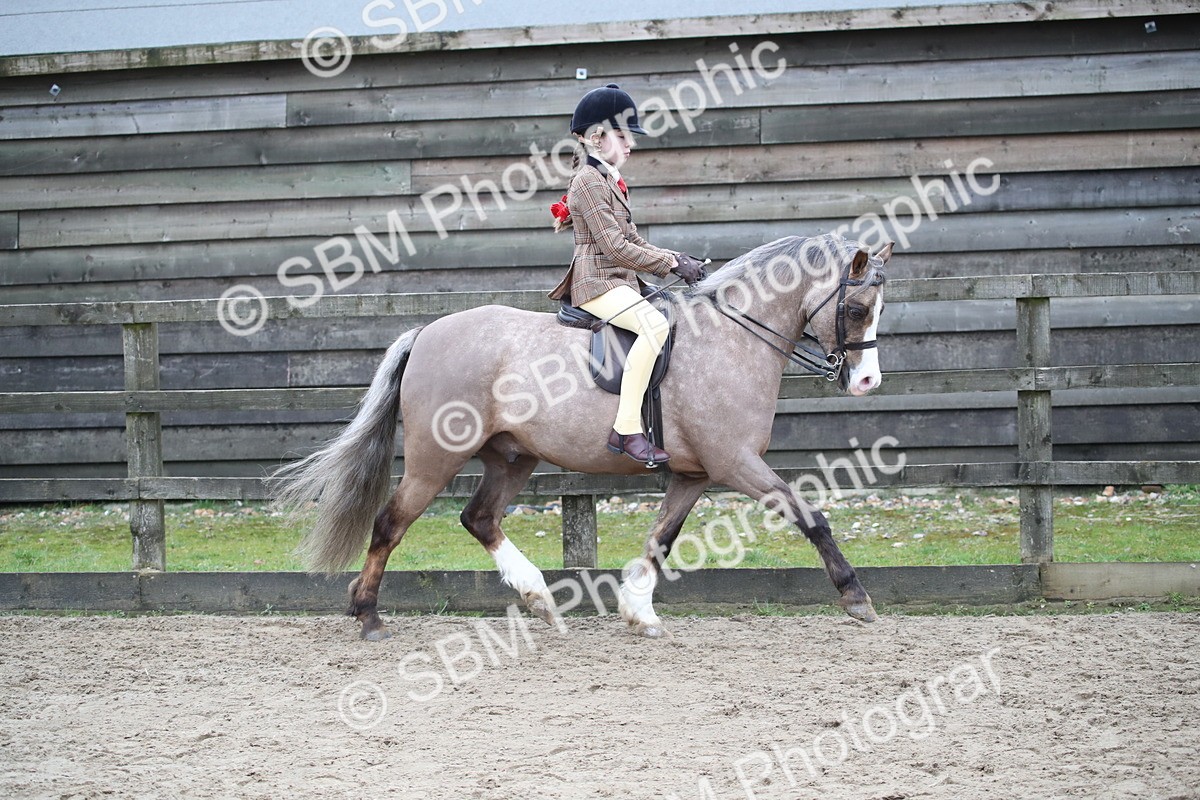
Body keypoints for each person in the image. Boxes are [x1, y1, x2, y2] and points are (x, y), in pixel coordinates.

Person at [548, 84, 707, 466]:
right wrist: (669, 266)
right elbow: (614, 248)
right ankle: (626, 430)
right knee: (654, 327)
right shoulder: (587, 182)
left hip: (620, 280)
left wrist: (676, 257)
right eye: (623, 136)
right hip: (597, 282)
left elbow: (632, 238)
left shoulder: (611, 179)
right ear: (598, 138)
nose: (631, 145)